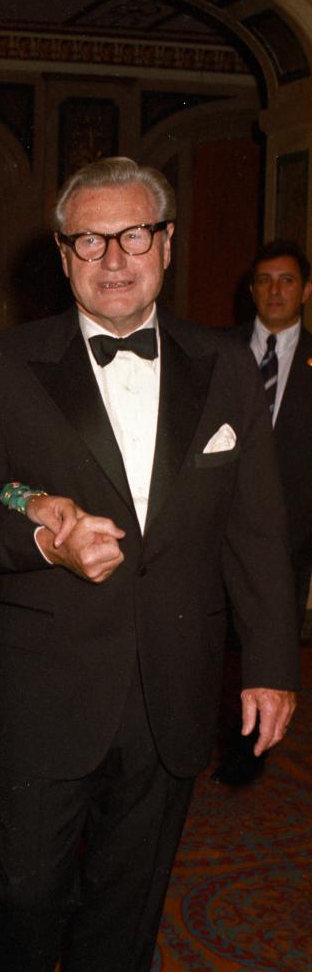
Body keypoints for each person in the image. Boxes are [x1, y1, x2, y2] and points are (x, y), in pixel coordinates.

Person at [0, 157, 299, 972]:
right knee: (21, 898)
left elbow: (257, 531)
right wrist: (39, 541)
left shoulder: (225, 365)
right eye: (89, 241)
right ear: (62, 257)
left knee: (126, 914)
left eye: (133, 235)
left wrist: (269, 664)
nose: (114, 259)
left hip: (173, 681)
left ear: (165, 244)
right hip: (44, 687)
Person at [212, 239, 312, 786]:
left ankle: (248, 753)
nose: (275, 290)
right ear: (251, 290)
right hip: (211, 534)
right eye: (265, 280)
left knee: (267, 645)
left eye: (287, 280)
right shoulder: (214, 353)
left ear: (306, 290)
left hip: (288, 542)